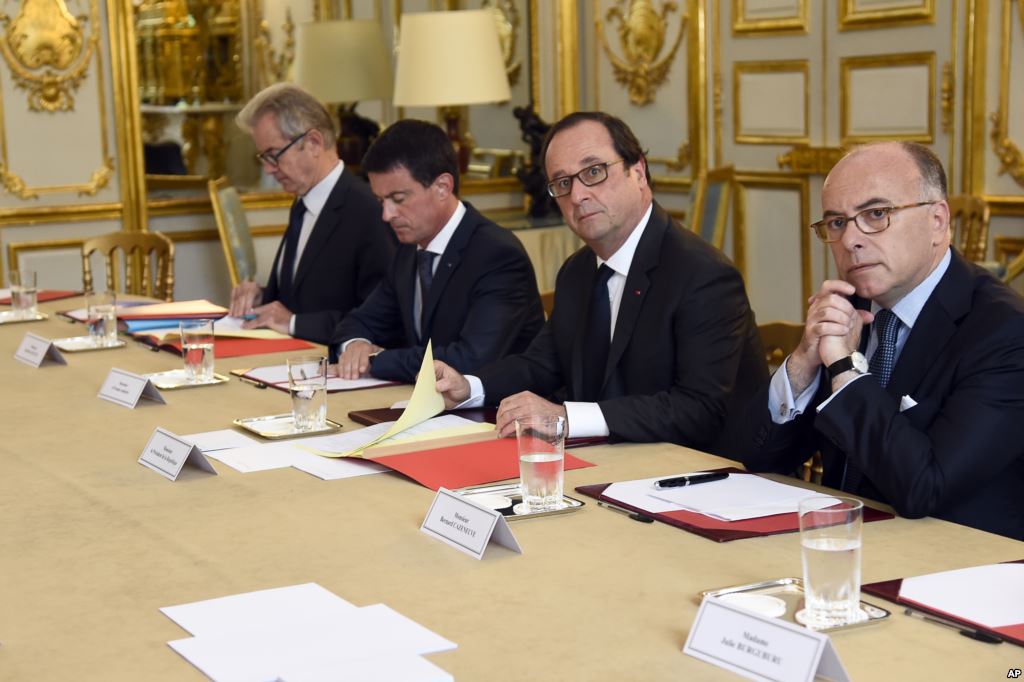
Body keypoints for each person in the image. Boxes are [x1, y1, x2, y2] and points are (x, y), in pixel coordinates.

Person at [734, 141, 1024, 540]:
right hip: (842, 552)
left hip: (952, 573)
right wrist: (803, 361)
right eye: (836, 222)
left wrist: (844, 369)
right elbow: (753, 458)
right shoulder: (851, 309)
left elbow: (925, 488)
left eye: (876, 214)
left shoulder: (1004, 332)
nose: (851, 239)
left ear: (938, 220)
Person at [434, 111, 766, 452]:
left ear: (637, 172)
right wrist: (468, 387)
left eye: (593, 172)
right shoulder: (577, 271)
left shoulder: (703, 275)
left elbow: (699, 410)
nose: (577, 195)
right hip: (613, 463)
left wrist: (566, 418)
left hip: (706, 476)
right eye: (562, 183)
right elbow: (542, 364)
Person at [331, 119, 545, 383]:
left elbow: (470, 360)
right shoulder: (409, 250)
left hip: (498, 412)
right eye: (380, 201)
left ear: (443, 187)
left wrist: (377, 359)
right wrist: (356, 345)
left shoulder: (498, 255)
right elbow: (360, 321)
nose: (386, 215)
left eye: (398, 199)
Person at [229, 83, 394, 345]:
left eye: (274, 155)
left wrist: (293, 323)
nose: (269, 170)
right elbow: (301, 296)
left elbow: (384, 320)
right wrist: (261, 297)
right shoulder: (303, 203)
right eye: (263, 157)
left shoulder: (368, 211)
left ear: (314, 142)